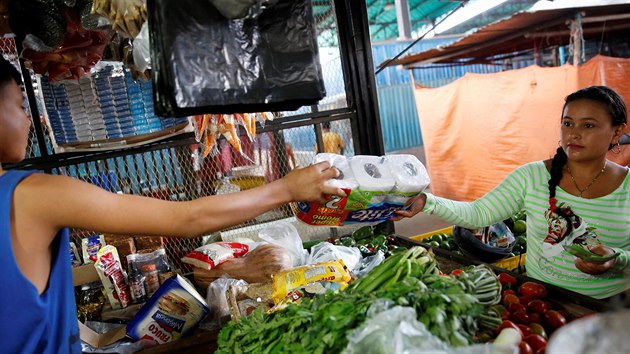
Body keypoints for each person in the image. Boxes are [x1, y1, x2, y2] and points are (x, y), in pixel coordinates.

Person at [0, 56, 345, 353]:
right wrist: (287, 188)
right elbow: (189, 217)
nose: (29, 119)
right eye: (18, 105)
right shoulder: (32, 196)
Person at [395, 85, 629, 300]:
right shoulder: (532, 177)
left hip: (611, 306)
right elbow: (479, 213)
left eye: (588, 125)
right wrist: (427, 201)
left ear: (616, 132)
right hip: (541, 300)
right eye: (568, 123)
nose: (574, 134)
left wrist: (616, 259)